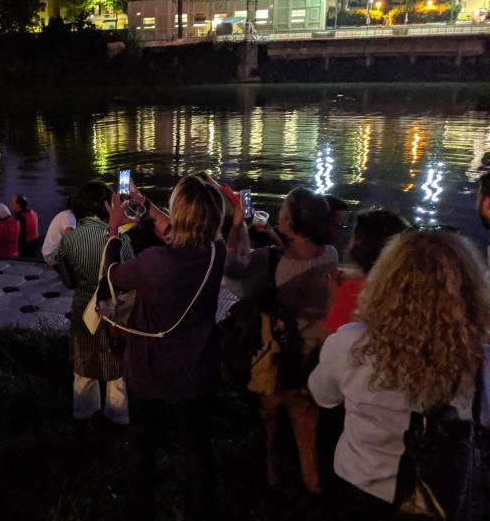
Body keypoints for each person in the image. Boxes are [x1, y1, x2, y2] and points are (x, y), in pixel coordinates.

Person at [309, 230, 490, 521]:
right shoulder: (481, 363)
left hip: (359, 486)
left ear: (385, 283)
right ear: (470, 292)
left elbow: (322, 396)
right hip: (444, 496)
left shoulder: (350, 343)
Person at [102, 174, 226, 521]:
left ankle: (141, 510)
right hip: (197, 368)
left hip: (149, 367)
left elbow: (112, 275)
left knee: (142, 446)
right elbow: (180, 233)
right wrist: (145, 205)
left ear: (179, 213)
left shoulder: (155, 261)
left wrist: (114, 229)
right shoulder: (216, 252)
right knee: (197, 448)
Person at [226, 187, 338, 495]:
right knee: (306, 424)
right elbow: (298, 257)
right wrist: (276, 238)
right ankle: (311, 484)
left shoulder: (269, 260)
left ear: (288, 220)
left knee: (267, 423)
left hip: (276, 360)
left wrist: (237, 225)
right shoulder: (330, 254)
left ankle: (270, 479)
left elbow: (232, 267)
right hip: (312, 359)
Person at [56, 181, 134, 431]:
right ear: (106, 206)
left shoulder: (68, 240)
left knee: (83, 367)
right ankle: (117, 421)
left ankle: (83, 418)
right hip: (113, 312)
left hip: (82, 310)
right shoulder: (120, 239)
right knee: (116, 369)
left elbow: (68, 281)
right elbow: (130, 279)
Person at [323, 208, 408, 334]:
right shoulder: (406, 287)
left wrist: (333, 293)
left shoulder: (354, 291)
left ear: (360, 240)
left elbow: (333, 335)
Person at [10, 194, 39, 258]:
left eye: (12, 203)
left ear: (18, 205)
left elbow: (19, 237)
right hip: (35, 244)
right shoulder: (33, 213)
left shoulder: (20, 219)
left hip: (25, 248)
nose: (10, 205)